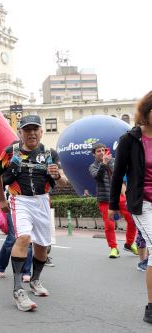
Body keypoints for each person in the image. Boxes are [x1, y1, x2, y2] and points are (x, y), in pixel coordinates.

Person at [0, 115, 67, 312]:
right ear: (20, 133)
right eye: (27, 130)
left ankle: (35, 280)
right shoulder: (10, 152)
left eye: (35, 129)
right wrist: (1, 199)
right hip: (20, 199)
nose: (32, 133)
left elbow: (63, 182)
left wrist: (57, 175)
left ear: (41, 132)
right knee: (24, 238)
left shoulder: (50, 153)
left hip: (42, 200)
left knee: (42, 246)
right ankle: (18, 290)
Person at [109, 90, 152, 324]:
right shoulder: (130, 139)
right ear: (146, 112)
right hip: (143, 202)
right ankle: (151, 307)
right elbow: (118, 174)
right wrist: (113, 204)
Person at [89, 143, 137, 258]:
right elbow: (98, 177)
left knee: (132, 220)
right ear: (94, 154)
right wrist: (104, 163)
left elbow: (123, 174)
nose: (101, 152)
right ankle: (114, 248)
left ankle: (129, 244)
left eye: (103, 150)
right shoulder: (93, 166)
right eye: (98, 151)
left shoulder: (114, 161)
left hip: (120, 196)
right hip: (106, 199)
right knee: (109, 225)